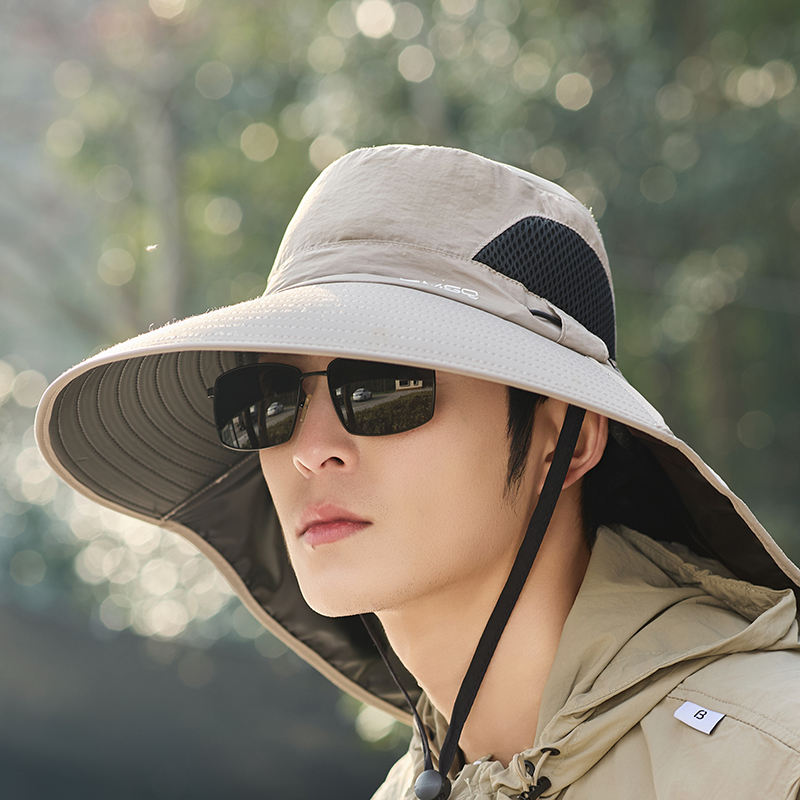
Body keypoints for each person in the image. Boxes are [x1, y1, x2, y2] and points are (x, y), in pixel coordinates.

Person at [36, 145, 800, 799]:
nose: (310, 449)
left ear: (565, 443)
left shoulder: (769, 763)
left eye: (382, 389)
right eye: (268, 400)